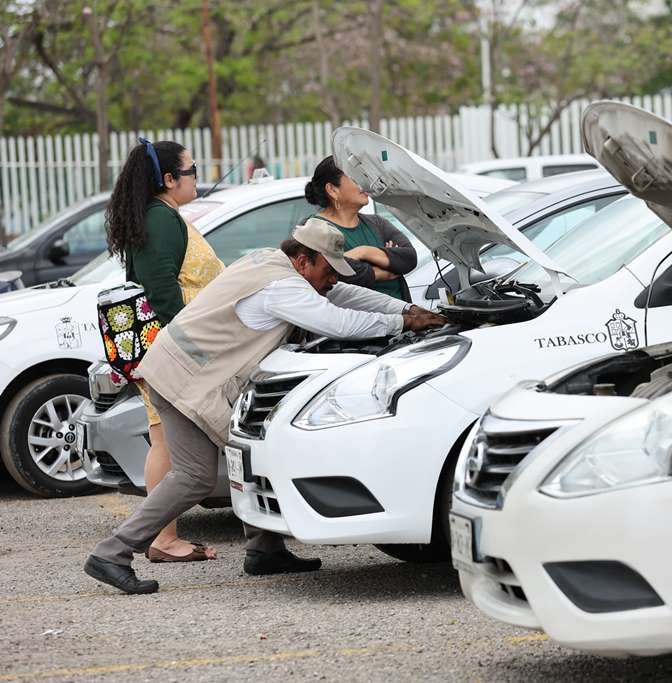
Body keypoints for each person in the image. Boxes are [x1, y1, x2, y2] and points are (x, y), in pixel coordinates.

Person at [84, 218, 446, 594]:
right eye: (328, 271)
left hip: (181, 371)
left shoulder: (274, 262)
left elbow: (343, 296)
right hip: (183, 379)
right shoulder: (283, 287)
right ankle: (113, 552)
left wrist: (408, 309)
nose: (333, 279)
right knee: (194, 477)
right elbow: (338, 322)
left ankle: (265, 549)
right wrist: (401, 322)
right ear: (304, 260)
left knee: (254, 452)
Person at [104, 138, 224, 563]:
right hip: (172, 352)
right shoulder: (159, 220)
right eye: (191, 171)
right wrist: (191, 350)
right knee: (165, 443)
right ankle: (161, 538)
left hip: (172, 349)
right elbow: (162, 292)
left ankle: (162, 537)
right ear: (169, 179)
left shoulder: (164, 216)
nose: (197, 178)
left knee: (165, 441)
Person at [305, 155, 418, 302]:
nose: (365, 183)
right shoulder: (314, 228)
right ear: (332, 190)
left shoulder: (377, 223)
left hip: (405, 319)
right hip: (358, 322)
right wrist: (383, 269)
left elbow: (409, 258)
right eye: (355, 178)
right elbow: (331, 272)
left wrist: (364, 252)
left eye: (364, 176)